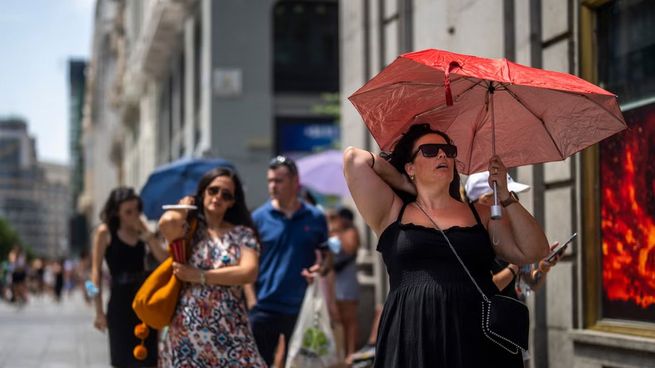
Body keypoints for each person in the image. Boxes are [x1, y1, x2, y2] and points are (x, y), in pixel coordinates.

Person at [343, 123, 550, 367]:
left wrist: (505, 196)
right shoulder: (392, 212)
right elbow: (353, 159)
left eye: (449, 151)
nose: (443, 155)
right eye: (430, 150)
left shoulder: (481, 213)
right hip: (412, 334)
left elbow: (535, 250)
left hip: (475, 336)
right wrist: (404, 183)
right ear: (410, 166)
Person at [158, 167, 266, 367]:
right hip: (188, 327)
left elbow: (248, 272)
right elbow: (166, 223)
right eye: (213, 190)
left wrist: (199, 275)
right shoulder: (189, 229)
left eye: (226, 195)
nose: (218, 197)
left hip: (231, 325)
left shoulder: (242, 233)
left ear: (233, 202)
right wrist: (184, 207)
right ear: (203, 192)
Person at [248, 155, 331, 366]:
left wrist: (319, 269)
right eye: (270, 181)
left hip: (301, 308)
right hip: (264, 307)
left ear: (295, 182)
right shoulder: (258, 218)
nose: (272, 186)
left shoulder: (315, 217)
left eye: (279, 181)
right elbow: (248, 261)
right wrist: (251, 301)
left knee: (299, 364)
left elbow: (326, 257)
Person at [91, 187, 168, 368]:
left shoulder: (142, 230)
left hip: (143, 300)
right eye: (128, 212)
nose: (133, 215)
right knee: (122, 358)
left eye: (136, 210)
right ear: (116, 211)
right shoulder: (105, 232)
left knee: (147, 357)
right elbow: (94, 273)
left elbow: (164, 259)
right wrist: (98, 311)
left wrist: (148, 235)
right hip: (119, 300)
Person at [326, 206, 361, 364]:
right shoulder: (332, 232)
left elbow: (350, 248)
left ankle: (350, 353)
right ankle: (339, 354)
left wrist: (338, 232)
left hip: (347, 282)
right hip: (333, 282)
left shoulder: (350, 232)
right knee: (336, 320)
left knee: (349, 319)